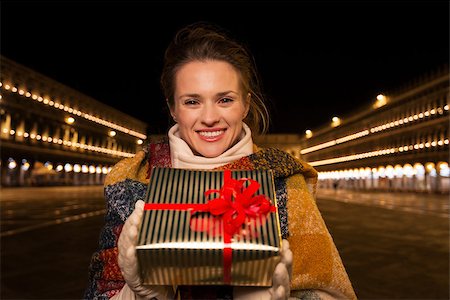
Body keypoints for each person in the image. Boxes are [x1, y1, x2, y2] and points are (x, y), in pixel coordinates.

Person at [84, 21, 357, 300]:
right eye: (192, 101)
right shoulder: (133, 178)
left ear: (245, 105)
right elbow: (100, 292)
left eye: (225, 100)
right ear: (173, 109)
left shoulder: (285, 182)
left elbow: (332, 292)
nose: (210, 117)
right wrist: (140, 293)